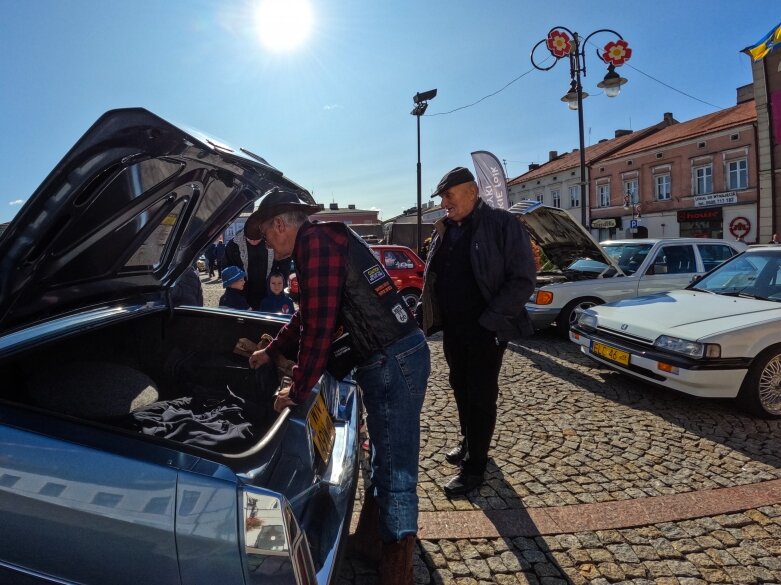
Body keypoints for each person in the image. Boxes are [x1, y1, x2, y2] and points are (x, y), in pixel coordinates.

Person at [246, 187, 430, 584]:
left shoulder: (314, 245)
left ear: (280, 223)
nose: (266, 244)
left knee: (397, 469)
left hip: (391, 359)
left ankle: (398, 572)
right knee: (384, 458)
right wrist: (272, 350)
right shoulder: (322, 239)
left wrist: (295, 390)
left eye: (266, 234)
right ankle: (371, 543)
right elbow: (307, 315)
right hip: (392, 355)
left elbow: (318, 327)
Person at [418, 167, 536, 497]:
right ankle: (469, 440)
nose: (444, 202)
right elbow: (435, 279)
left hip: (486, 329)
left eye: (448, 195)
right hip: (454, 328)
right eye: (442, 197)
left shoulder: (503, 224)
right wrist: (426, 315)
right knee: (459, 386)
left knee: (481, 393)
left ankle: (476, 466)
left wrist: (490, 321)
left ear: (471, 192)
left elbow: (523, 279)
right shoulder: (445, 230)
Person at [225, 227, 274, 310]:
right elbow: (227, 272)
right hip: (242, 294)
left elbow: (283, 264)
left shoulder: (272, 241)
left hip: (268, 293)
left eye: (257, 238)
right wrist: (233, 294)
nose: (253, 241)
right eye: (250, 238)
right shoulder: (234, 245)